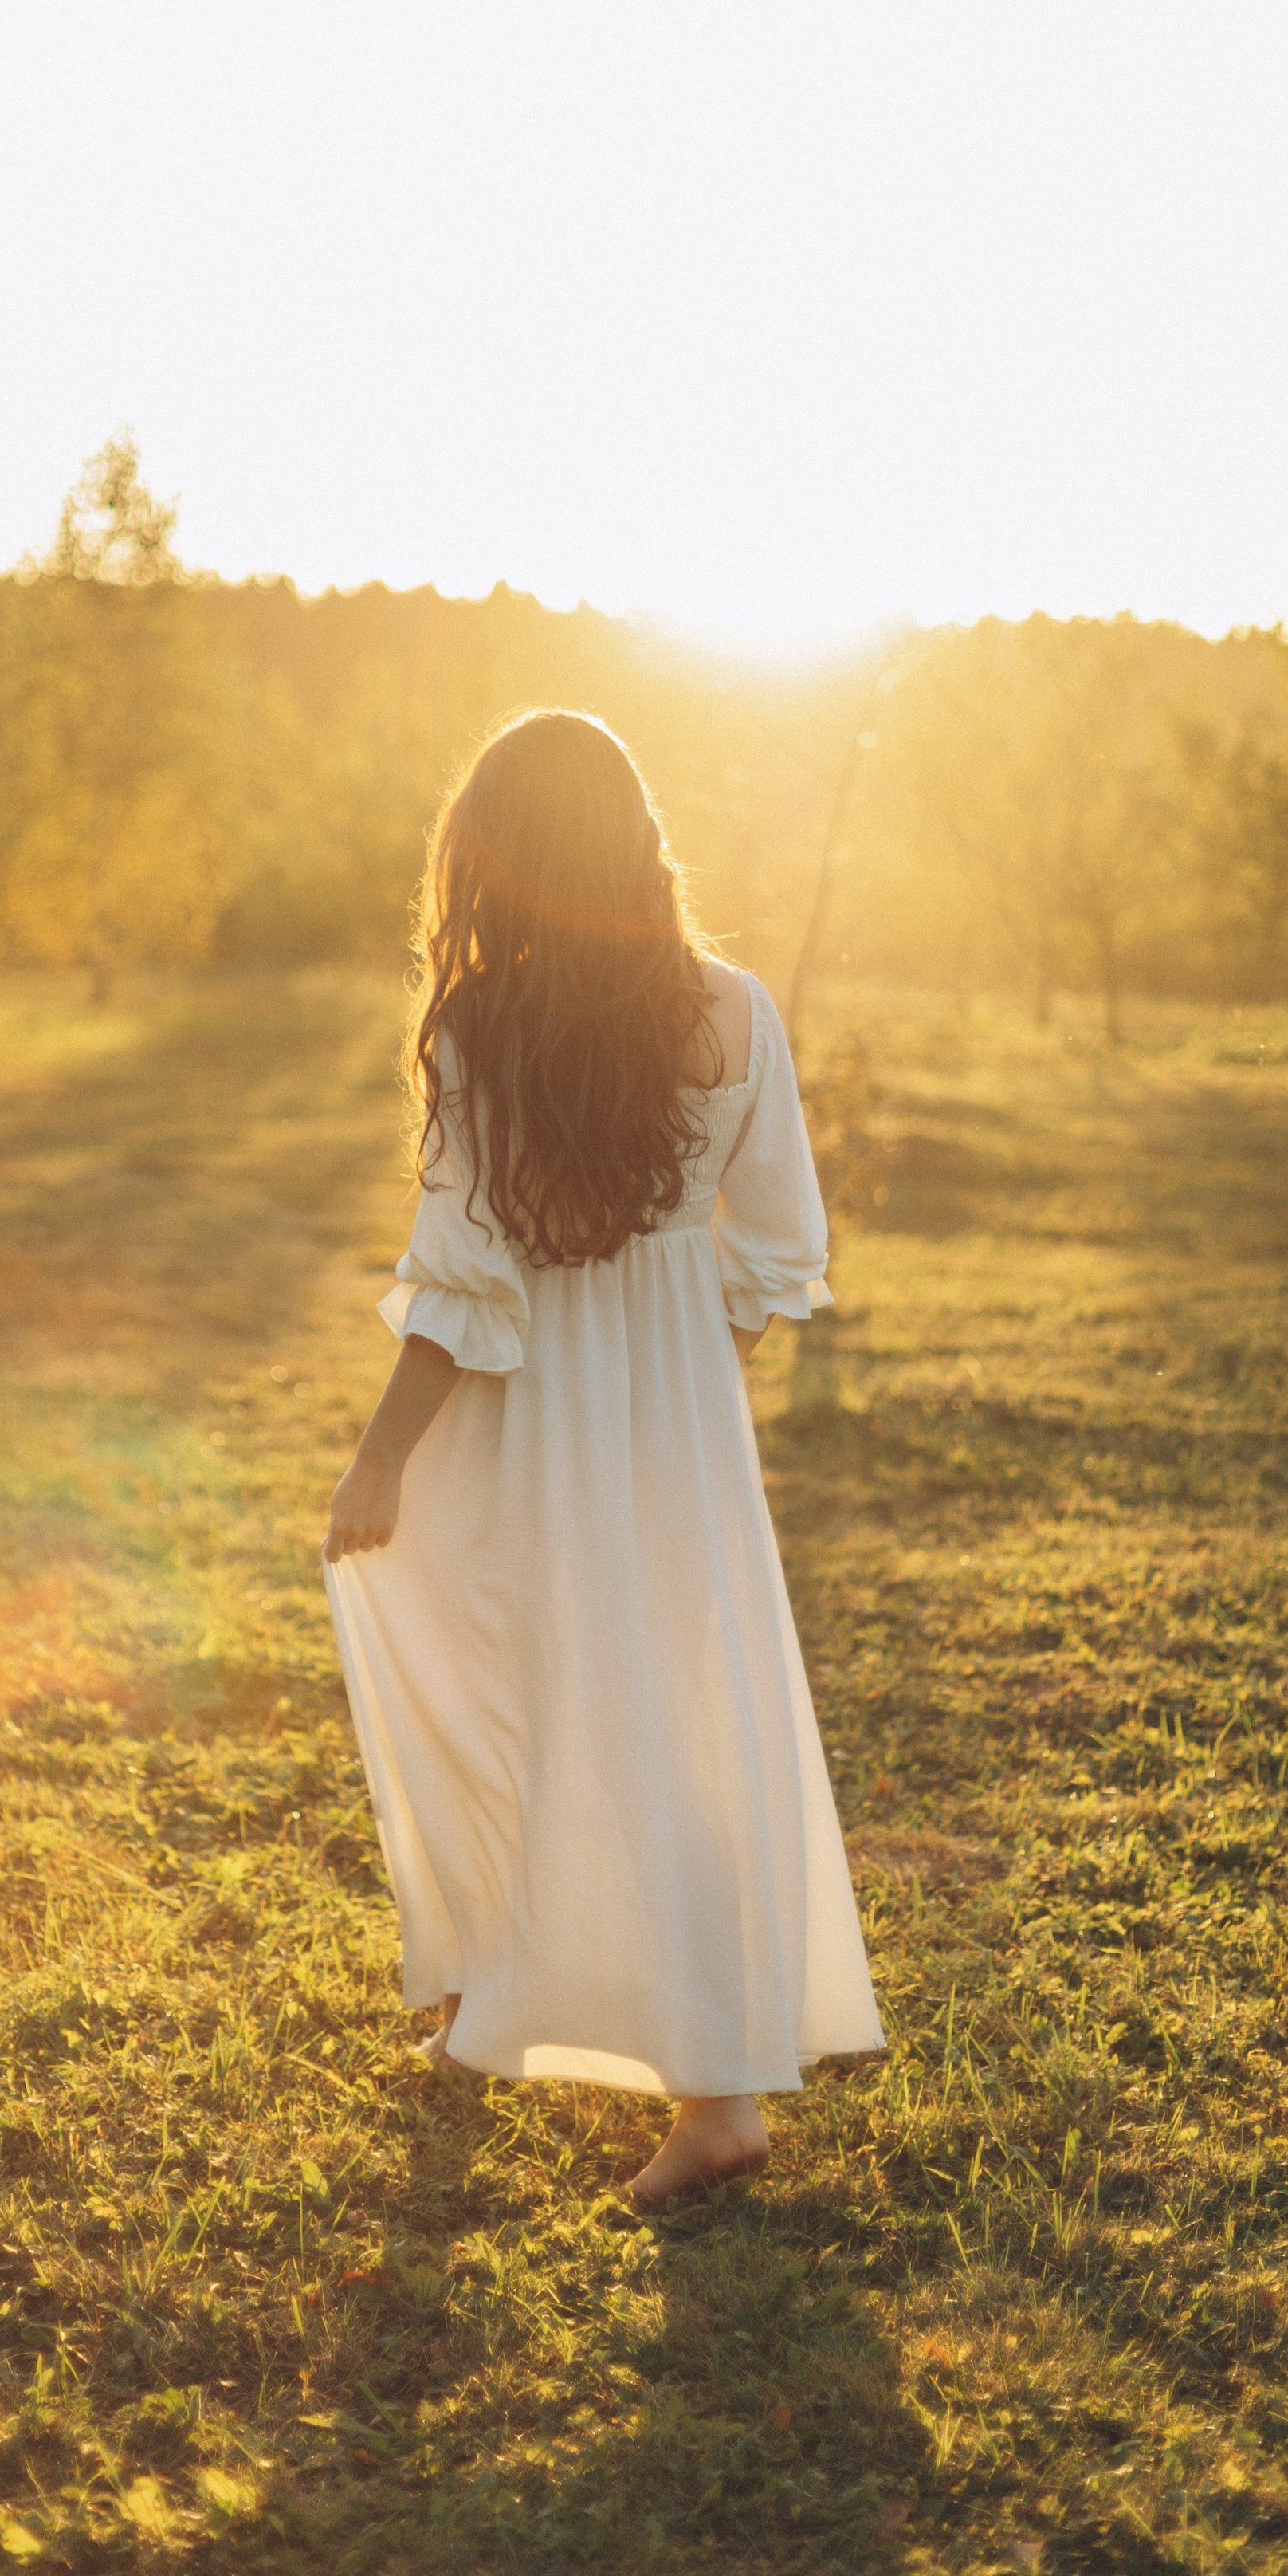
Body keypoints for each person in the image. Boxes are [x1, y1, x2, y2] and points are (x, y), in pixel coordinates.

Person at [321, 708, 882, 2205]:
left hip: (529, 1413)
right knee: (658, 1714)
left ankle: (714, 2109)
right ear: (631, 840)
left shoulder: (480, 1027)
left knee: (500, 1667)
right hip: (678, 1429)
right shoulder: (738, 1010)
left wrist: (379, 1464)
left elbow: (460, 1294)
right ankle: (499, 1995)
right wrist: (679, 1383)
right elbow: (776, 1253)